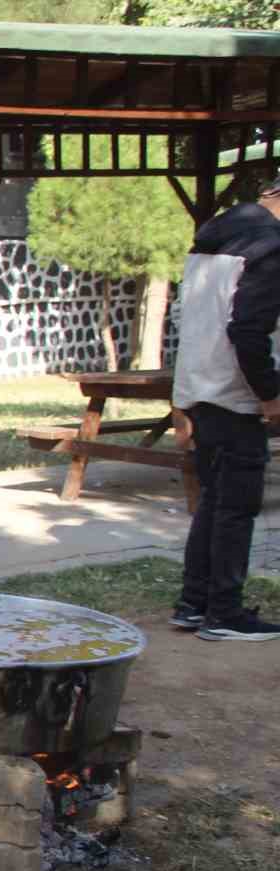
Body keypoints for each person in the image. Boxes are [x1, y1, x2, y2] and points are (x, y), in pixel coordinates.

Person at [170, 177, 280, 642]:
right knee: (236, 507)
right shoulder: (270, 247)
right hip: (236, 394)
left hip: (200, 386)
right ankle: (225, 614)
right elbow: (248, 332)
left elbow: (192, 317)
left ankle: (194, 604)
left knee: (216, 501)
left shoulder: (213, 239)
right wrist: (271, 394)